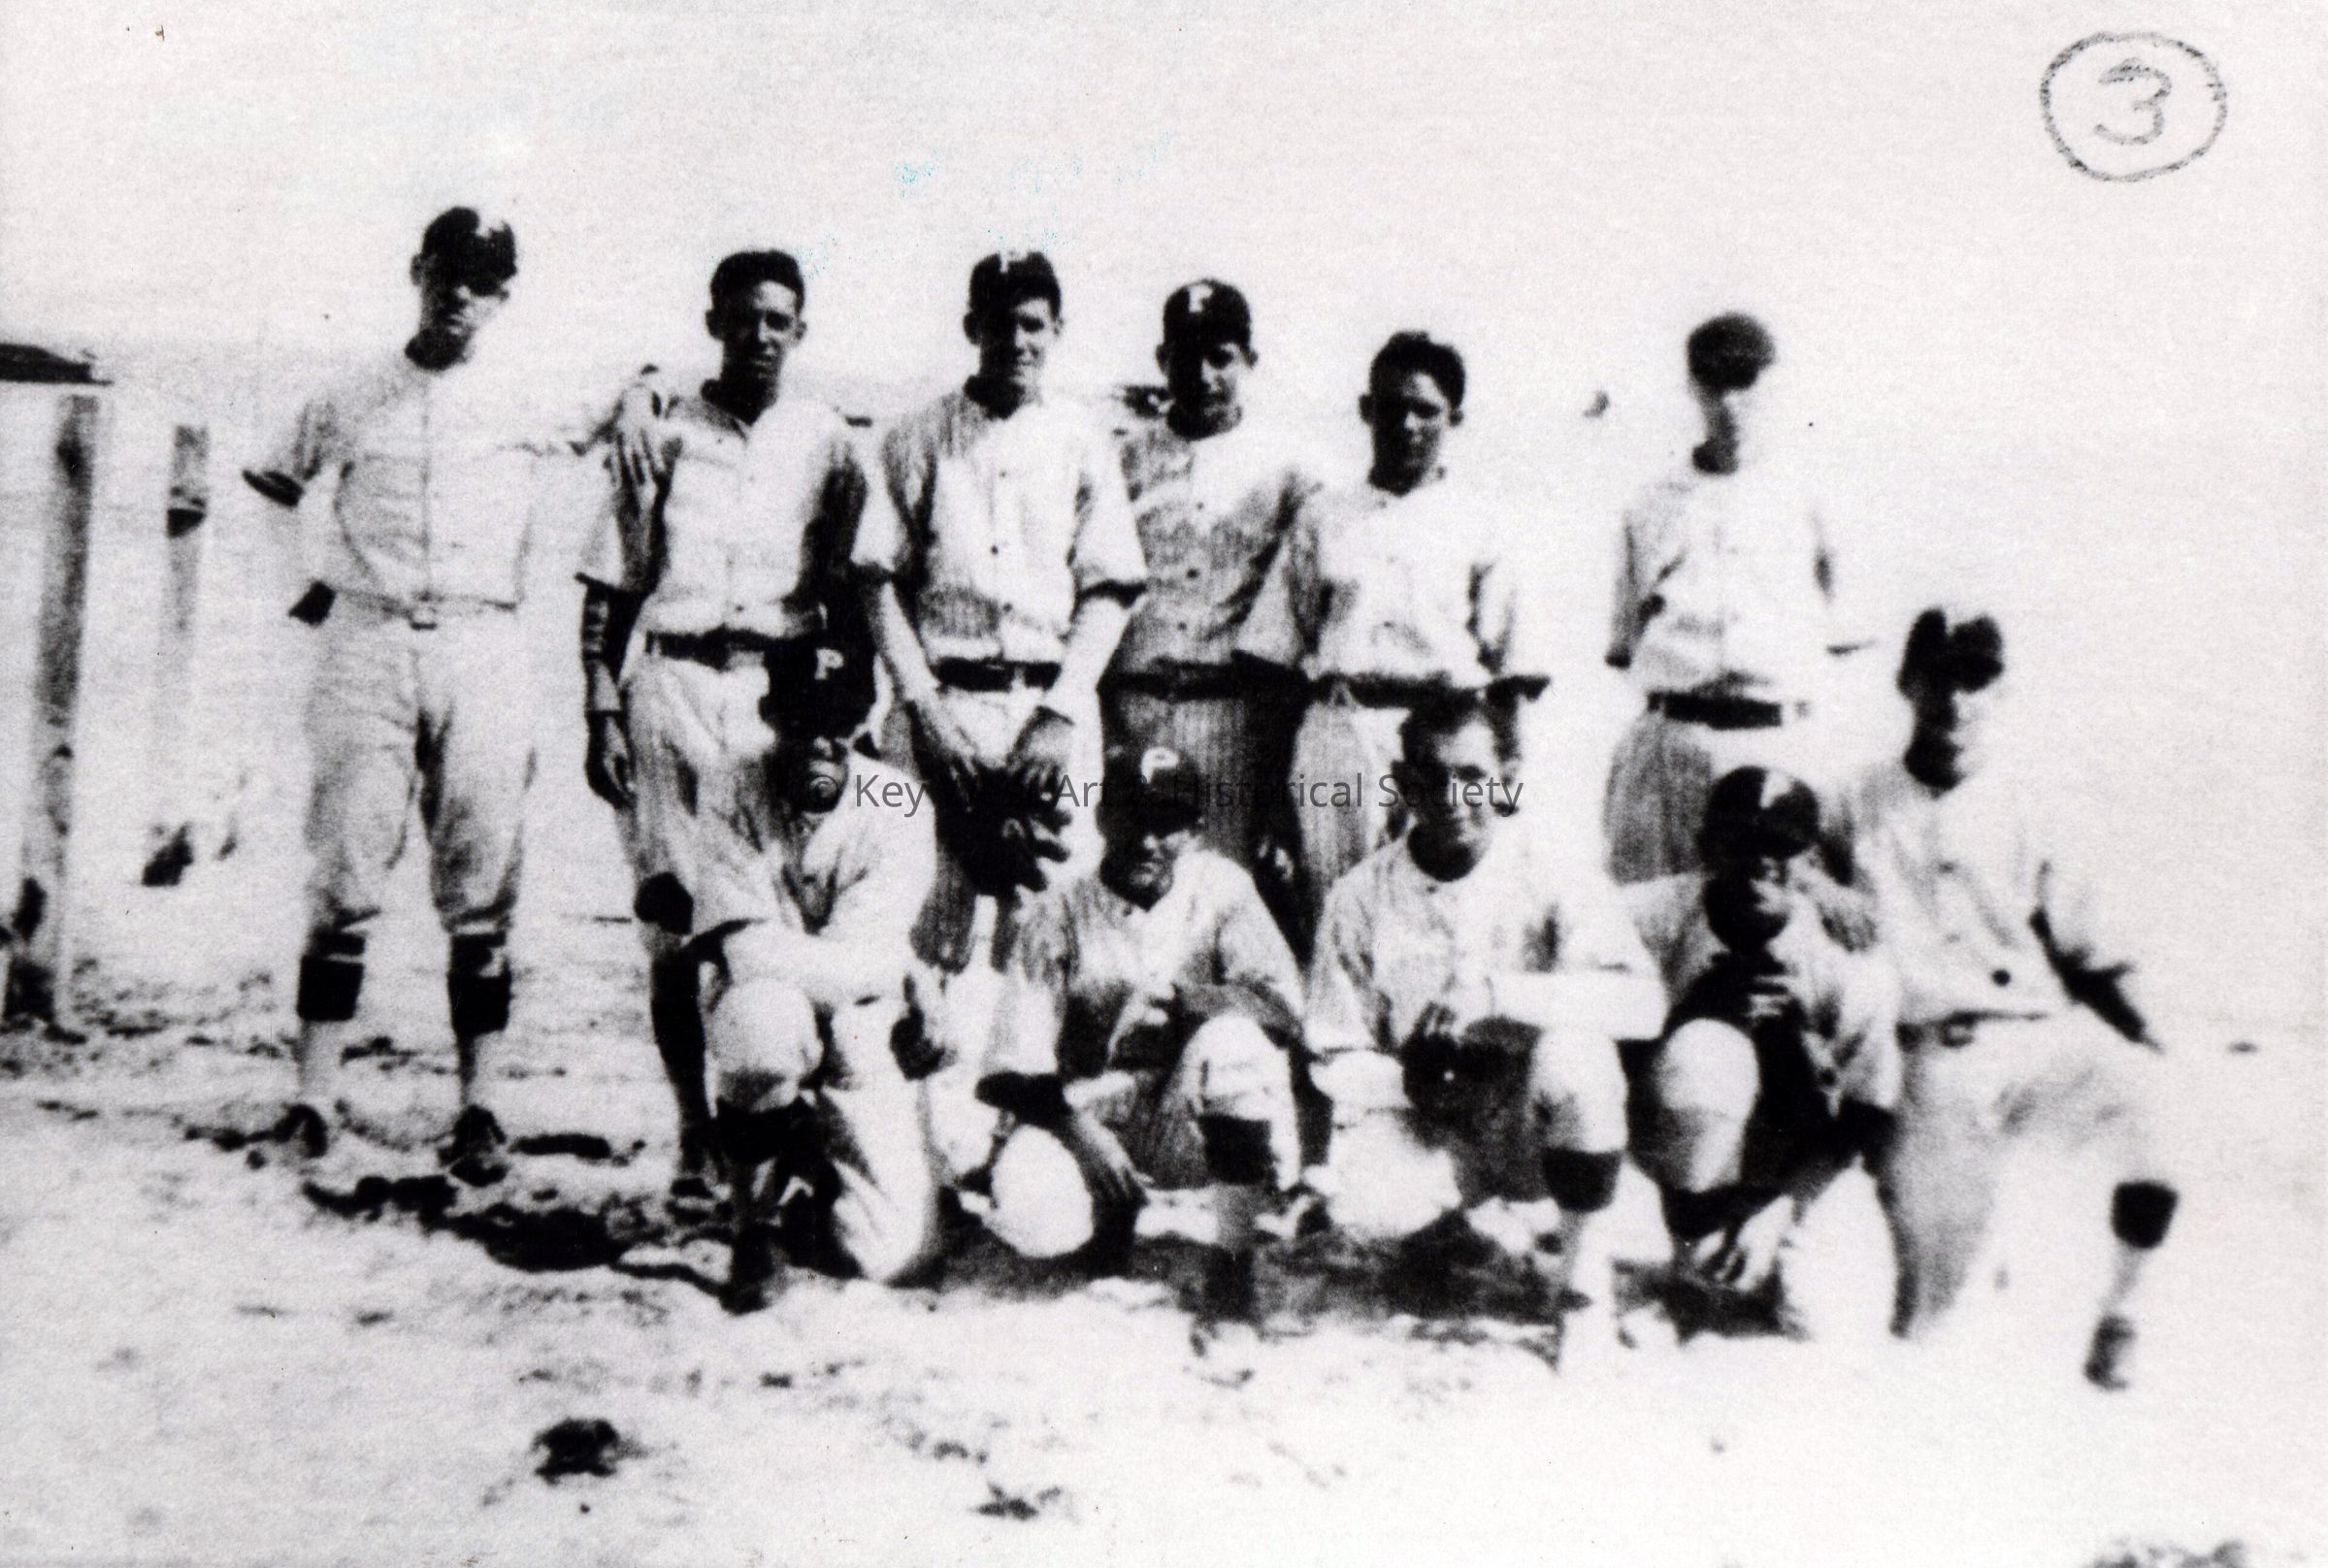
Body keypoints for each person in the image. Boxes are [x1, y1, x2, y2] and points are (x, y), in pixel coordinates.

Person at [243, 207, 608, 1179]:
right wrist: (302, 588)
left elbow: (621, 419)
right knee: (345, 873)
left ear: (503, 296)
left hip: (483, 642)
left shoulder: (528, 395)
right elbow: (273, 483)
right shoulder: (354, 391)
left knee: (482, 885)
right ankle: (314, 1099)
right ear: (417, 271)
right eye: (447, 271)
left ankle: (480, 1106)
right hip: (368, 638)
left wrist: (653, 393)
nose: (460, 293)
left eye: (482, 280)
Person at [577, 248, 875, 1203]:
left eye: (777, 320)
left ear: (801, 331)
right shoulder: (665, 432)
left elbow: (848, 588)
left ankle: (776, 1130)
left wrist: (847, 717)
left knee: (767, 925)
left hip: (772, 699)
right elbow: (615, 580)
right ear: (713, 323)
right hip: (669, 684)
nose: (758, 336)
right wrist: (600, 703)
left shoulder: (827, 440)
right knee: (670, 926)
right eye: (741, 318)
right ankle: (692, 1133)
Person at [1827, 605, 2180, 1388]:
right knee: (1929, 1314)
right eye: (1938, 679)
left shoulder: (2031, 803)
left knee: (2160, 1119)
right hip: (1926, 1062)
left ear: (1999, 690)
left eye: (1974, 681)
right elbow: (1791, 895)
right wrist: (1822, 892)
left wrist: (2150, 1035)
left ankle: (2123, 1311)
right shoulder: (1851, 800)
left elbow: (2089, 949)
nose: (1955, 701)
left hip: (2033, 1040)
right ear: (1905, 683)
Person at [1304, 696, 1665, 1362]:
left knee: (1579, 1057)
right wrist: (1408, 1083)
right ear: (1402, 783)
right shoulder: (1360, 894)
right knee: (1373, 1205)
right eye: (1430, 777)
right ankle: (1443, 1236)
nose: (1452, 797)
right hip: (1433, 1118)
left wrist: (1499, 995)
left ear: (1507, 777)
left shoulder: (1553, 870)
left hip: (1532, 1118)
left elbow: (1641, 1005)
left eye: (1472, 776)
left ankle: (1583, 1290)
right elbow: (1331, 1049)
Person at [853, 250, 1147, 983]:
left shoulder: (1082, 439)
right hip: (938, 710)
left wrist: (1061, 711)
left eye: (1033, 325)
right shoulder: (915, 436)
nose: (1016, 341)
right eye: (998, 324)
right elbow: (877, 581)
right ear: (970, 327)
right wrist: (924, 711)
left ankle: (1029, 1061)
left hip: (1049, 716)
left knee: (1048, 919)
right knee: (922, 920)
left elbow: (1110, 589)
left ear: (1056, 331)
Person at [971, 745, 1305, 1320]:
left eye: (1167, 822)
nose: (1147, 840)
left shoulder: (1222, 888)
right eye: (1132, 816)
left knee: (1235, 1041)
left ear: (1195, 831)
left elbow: (1282, 1010)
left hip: (1190, 1116)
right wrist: (1084, 1138)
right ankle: (1109, 1213)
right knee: (1034, 1219)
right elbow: (1008, 1068)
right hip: (1088, 1112)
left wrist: (1189, 1002)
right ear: (1102, 817)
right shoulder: (1059, 909)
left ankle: (1233, 1262)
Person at [1236, 331, 1545, 934]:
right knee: (1336, 904)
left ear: (1454, 418)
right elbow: (1275, 656)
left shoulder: (1481, 520)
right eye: (1391, 407)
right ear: (1365, 410)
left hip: (1445, 736)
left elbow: (1511, 670)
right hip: (1343, 732)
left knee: (1440, 904)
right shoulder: (1325, 515)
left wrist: (1507, 773)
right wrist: (1273, 793)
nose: (1406, 425)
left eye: (1426, 410)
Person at [687, 632, 942, 1311]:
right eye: (803, 720)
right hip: (771, 1003)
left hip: (863, 1021)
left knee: (894, 1256)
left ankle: (810, 1151)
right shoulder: (730, 781)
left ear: (860, 722)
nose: (821, 741)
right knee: (761, 1023)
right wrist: (892, 968)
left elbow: (863, 956)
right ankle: (753, 1224)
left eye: (838, 722)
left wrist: (881, 968)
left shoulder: (899, 799)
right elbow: (744, 952)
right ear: (772, 716)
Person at [1625, 767, 1899, 1336]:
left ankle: (1748, 1251)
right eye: (1741, 839)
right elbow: (1600, 1046)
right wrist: (1690, 1013)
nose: (1760, 860)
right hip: (1672, 1152)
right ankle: (1691, 1256)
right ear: (1706, 844)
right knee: (1704, 1053)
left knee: (1828, 1322)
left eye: (1781, 845)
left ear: (1809, 860)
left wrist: (1782, 1210)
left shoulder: (1848, 957)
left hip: (1798, 1161)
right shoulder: (1647, 917)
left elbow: (1868, 1111)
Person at [1602, 312, 1867, 885]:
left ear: (1772, 383)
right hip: (1676, 744)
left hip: (1778, 739)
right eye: (1714, 383)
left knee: (1782, 910)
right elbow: (1626, 640)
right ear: (1692, 387)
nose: (1729, 403)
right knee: (1656, 908)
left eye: (1745, 382)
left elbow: (1845, 639)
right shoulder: (1653, 502)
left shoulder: (1814, 496)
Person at [1104, 280, 1319, 891]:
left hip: (1230, 716)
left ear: (1250, 360)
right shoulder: (1120, 460)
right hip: (1132, 707)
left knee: (1219, 886)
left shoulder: (1289, 471)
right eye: (1185, 357)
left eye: (1221, 357)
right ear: (1162, 360)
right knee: (1127, 884)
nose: (1202, 375)